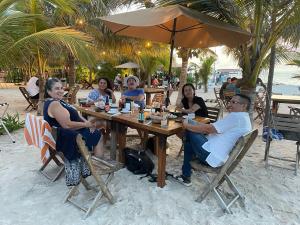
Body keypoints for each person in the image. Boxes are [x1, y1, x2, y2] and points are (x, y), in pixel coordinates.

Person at [176, 94, 252, 186]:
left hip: (211, 156)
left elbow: (209, 129)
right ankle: (186, 174)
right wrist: (194, 123)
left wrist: (187, 126)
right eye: (230, 101)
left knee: (189, 132)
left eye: (234, 102)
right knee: (190, 136)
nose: (230, 104)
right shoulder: (244, 118)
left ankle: (186, 174)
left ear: (244, 106)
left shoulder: (236, 117)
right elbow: (213, 127)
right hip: (219, 155)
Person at [43, 78, 104, 159]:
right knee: (98, 135)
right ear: (49, 91)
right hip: (68, 138)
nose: (61, 91)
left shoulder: (57, 101)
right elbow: (67, 125)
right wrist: (86, 125)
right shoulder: (54, 104)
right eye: (57, 88)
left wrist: (87, 123)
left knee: (96, 128)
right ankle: (96, 167)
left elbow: (78, 115)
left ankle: (94, 161)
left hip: (70, 133)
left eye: (61, 88)